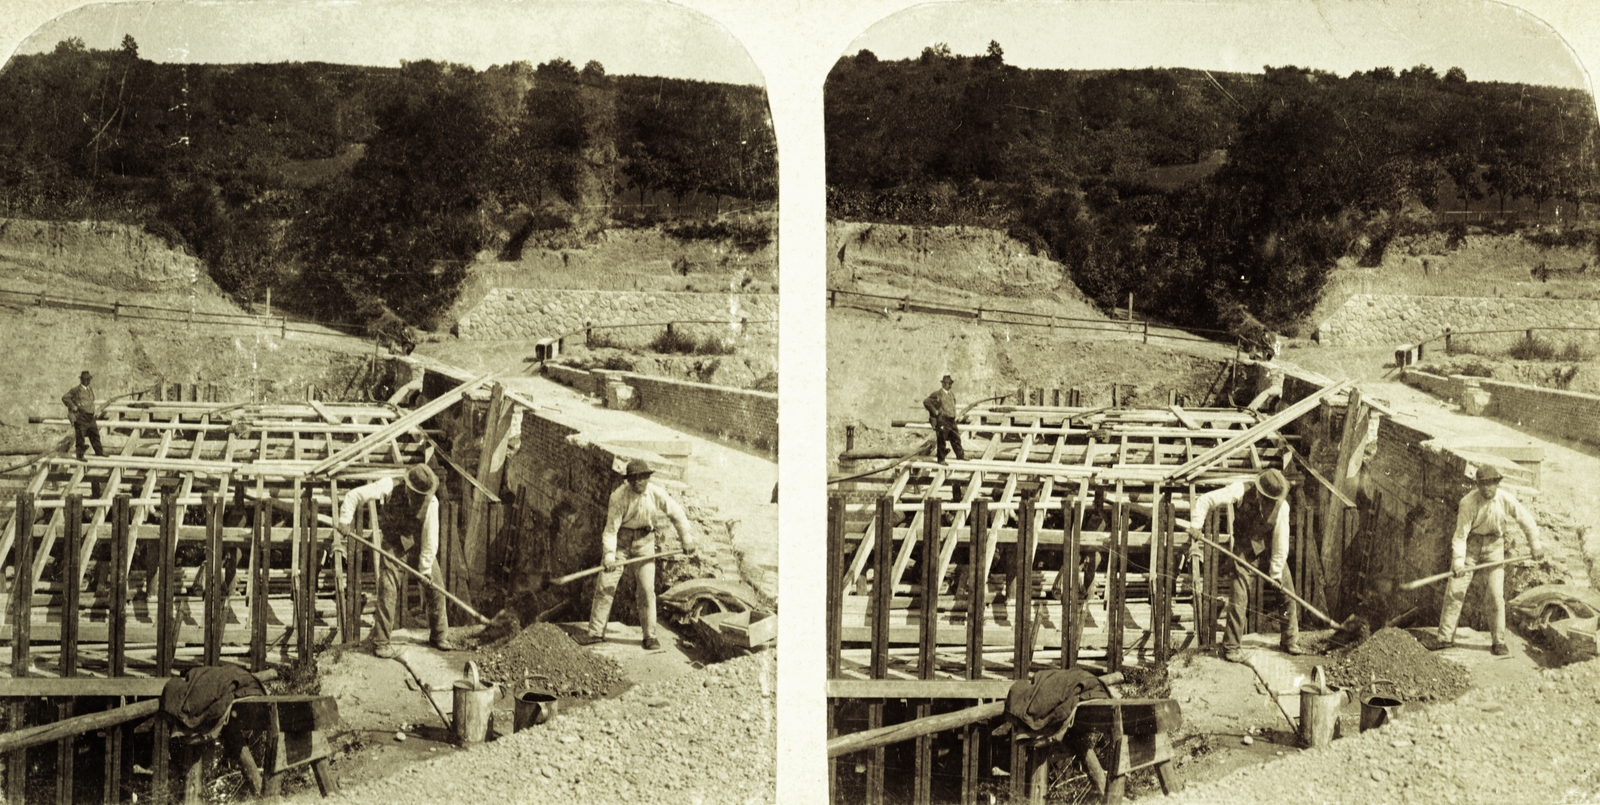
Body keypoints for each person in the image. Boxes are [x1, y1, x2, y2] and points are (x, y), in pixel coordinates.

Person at [577, 458, 697, 649]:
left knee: (646, 590)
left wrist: (686, 540)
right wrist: (609, 556)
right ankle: (596, 633)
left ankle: (649, 636)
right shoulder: (618, 497)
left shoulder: (656, 493)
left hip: (645, 542)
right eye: (633, 479)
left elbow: (677, 514)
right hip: (620, 544)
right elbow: (610, 530)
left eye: (641, 478)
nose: (637, 482)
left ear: (647, 478)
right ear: (628, 480)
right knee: (605, 585)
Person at [335, 464, 451, 658]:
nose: (420, 498)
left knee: (436, 587)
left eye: (424, 494)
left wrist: (425, 570)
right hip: (394, 546)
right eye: (417, 494)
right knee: (388, 588)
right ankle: (381, 642)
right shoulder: (389, 485)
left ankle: (439, 635)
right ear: (408, 487)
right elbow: (354, 496)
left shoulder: (431, 503)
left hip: (418, 546)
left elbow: (430, 539)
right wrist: (345, 520)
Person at [1187, 468, 1300, 662]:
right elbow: (1206, 500)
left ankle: (1290, 640)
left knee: (1287, 592)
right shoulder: (1240, 490)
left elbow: (1281, 543)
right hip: (1245, 552)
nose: (1271, 503)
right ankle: (1231, 647)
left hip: (1271, 552)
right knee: (1239, 597)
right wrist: (1197, 526)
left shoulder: (1282, 507)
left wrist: (1275, 574)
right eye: (1268, 499)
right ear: (1260, 492)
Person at [1433, 465, 1543, 655]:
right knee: (1455, 591)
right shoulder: (1468, 502)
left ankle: (1498, 641)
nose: (1487, 489)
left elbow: (1525, 519)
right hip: (1470, 548)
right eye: (1483, 484)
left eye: (1491, 484)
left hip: (1495, 547)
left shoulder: (1505, 499)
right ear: (1477, 484)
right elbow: (1460, 535)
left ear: (1497, 484)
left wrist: (1535, 546)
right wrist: (1459, 562)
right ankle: (1444, 638)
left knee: (1495, 595)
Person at [62, 370, 106, 462]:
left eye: (89, 379)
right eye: (86, 379)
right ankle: (80, 456)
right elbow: (65, 398)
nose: (88, 381)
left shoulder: (90, 389)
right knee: (80, 437)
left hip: (90, 416)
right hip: (81, 417)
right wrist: (73, 407)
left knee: (95, 434)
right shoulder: (76, 390)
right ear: (81, 380)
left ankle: (99, 452)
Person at [923, 374, 965, 464]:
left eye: (950, 383)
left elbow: (952, 405)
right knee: (941, 439)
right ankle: (941, 459)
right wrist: (935, 411)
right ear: (943, 384)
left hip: (951, 420)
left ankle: (960, 456)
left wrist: (955, 414)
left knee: (956, 438)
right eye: (948, 383)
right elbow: (926, 402)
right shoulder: (938, 394)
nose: (950, 385)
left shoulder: (951, 393)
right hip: (942, 420)